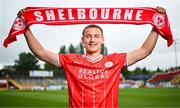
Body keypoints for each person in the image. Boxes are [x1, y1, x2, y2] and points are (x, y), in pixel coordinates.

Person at [19, 6, 166, 108]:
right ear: (82, 41)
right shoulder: (70, 60)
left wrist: (156, 25)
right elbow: (40, 52)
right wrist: (25, 28)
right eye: (88, 36)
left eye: (96, 36)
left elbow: (145, 50)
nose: (92, 40)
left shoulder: (115, 60)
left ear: (102, 40)